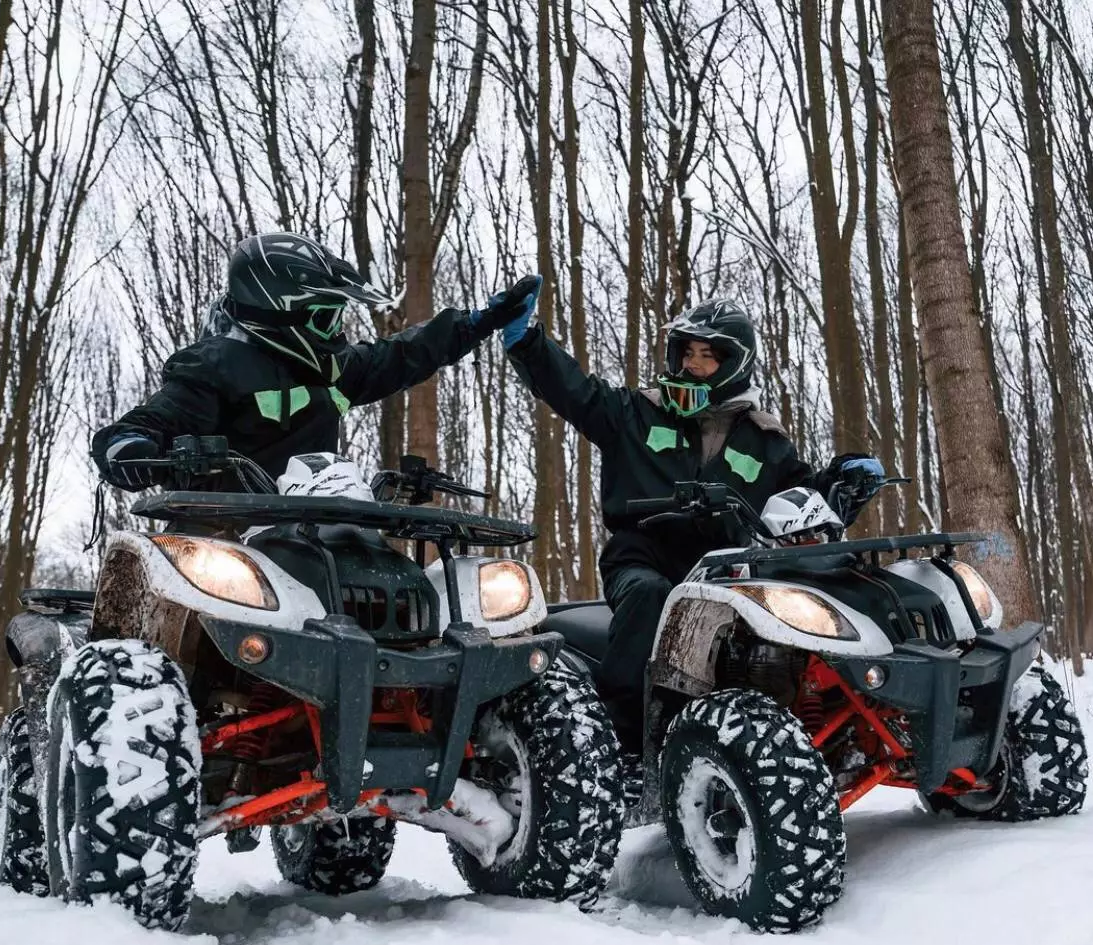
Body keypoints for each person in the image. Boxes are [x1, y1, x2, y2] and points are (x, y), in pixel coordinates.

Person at [499, 275, 882, 756]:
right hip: (644, 558)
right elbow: (577, 392)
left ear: (734, 363)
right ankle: (622, 744)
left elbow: (803, 500)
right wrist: (527, 342)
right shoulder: (637, 413)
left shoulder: (766, 440)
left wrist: (846, 482)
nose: (693, 364)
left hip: (728, 570)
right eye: (688, 352)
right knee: (649, 595)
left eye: (708, 355)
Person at [92, 232, 538, 490]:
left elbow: (404, 353)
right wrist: (130, 449)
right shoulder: (212, 367)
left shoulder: (335, 369)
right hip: (220, 541)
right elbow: (148, 422)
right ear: (280, 309)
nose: (336, 330)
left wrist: (480, 322)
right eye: (326, 316)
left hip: (312, 531)